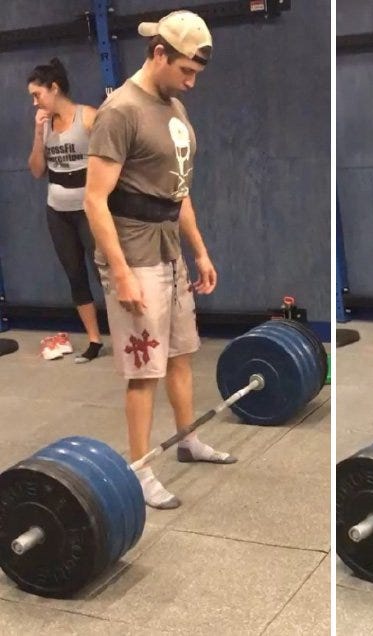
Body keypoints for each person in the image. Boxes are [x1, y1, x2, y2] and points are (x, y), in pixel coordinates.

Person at [83, 10, 234, 510]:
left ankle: (187, 439)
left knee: (182, 352)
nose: (191, 83)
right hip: (135, 251)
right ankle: (140, 469)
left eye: (196, 74)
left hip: (170, 248)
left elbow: (179, 190)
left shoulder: (173, 108)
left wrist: (200, 250)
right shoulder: (120, 110)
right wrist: (121, 273)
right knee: (144, 368)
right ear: (159, 54)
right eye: (185, 71)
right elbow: (94, 200)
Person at [26, 58, 105, 363]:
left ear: (54, 88)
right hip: (57, 211)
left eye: (37, 95)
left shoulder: (87, 117)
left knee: (106, 274)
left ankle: (130, 334)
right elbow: (36, 171)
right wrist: (37, 134)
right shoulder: (44, 125)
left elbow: (112, 160)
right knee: (75, 275)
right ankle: (95, 340)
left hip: (89, 209)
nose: (35, 102)